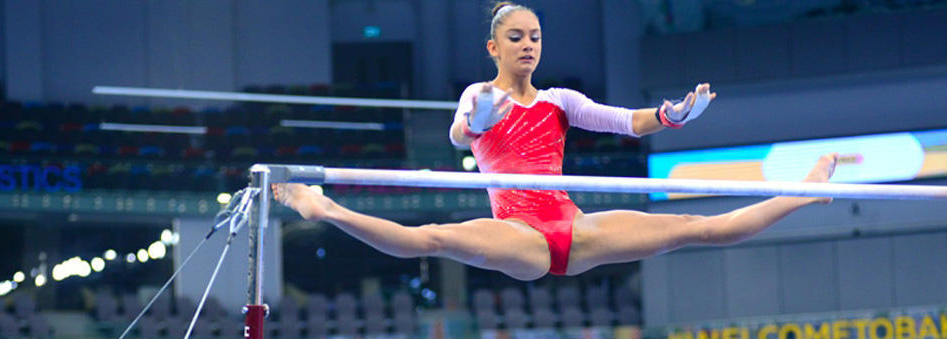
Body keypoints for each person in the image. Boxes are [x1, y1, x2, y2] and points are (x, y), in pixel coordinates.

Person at [275, 2, 838, 282]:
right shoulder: (478, 93)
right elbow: (457, 136)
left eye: (535, 37)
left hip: (573, 226)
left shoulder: (560, 101)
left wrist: (673, 117)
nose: (527, 45)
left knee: (698, 229)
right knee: (432, 238)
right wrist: (480, 120)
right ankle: (323, 206)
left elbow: (625, 121)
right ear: (493, 48)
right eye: (515, 37)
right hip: (520, 233)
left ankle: (803, 193)